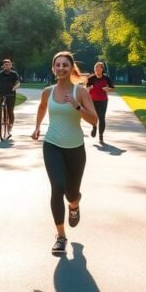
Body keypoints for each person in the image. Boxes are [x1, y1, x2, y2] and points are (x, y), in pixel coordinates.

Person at [32, 51, 98, 255]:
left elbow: (94, 120)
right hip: (52, 144)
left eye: (65, 65)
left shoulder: (81, 92)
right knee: (57, 187)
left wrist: (76, 106)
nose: (60, 68)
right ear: (53, 68)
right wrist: (37, 127)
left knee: (71, 193)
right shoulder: (47, 91)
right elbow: (42, 107)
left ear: (71, 69)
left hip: (75, 148)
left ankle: (75, 204)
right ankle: (60, 236)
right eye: (57, 65)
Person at [85, 61, 115, 142]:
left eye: (99, 67)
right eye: (96, 68)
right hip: (92, 100)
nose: (97, 69)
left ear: (102, 69)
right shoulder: (91, 78)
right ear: (94, 69)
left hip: (103, 101)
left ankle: (101, 135)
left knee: (101, 118)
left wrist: (108, 89)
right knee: (94, 117)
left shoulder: (106, 78)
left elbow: (113, 88)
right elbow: (86, 87)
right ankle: (94, 127)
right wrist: (89, 88)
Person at [0, 58, 21, 130]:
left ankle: (10, 124)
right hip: (2, 94)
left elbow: (18, 83)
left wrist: (14, 87)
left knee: (10, 110)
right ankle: (4, 120)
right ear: (3, 66)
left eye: (8, 65)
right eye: (5, 65)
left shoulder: (14, 74)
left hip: (11, 94)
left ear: (11, 66)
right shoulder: (0, 74)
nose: (6, 66)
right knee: (2, 108)